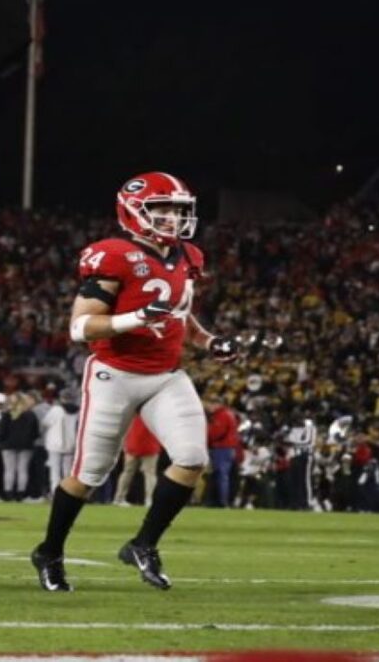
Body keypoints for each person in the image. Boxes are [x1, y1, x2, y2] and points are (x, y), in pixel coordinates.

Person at [32, 172, 240, 592]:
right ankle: (50, 551)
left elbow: (181, 314)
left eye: (179, 210)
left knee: (191, 458)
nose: (173, 218)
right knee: (89, 475)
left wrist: (209, 341)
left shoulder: (187, 256)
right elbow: (80, 327)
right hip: (115, 373)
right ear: (134, 211)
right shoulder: (113, 255)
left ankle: (143, 543)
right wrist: (137, 317)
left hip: (165, 375)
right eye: (162, 208)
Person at [40, 386, 79, 499]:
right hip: (71, 444)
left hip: (55, 444)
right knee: (67, 471)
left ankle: (55, 493)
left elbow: (45, 423)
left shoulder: (56, 409)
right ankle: (67, 493)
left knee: (55, 471)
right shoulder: (78, 411)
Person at [1, 392, 39, 501]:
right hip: (26, 446)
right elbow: (35, 432)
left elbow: (2, 431)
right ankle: (20, 493)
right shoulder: (30, 415)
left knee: (9, 470)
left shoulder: (8, 414)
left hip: (8, 445)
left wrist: (1, 442)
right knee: (23, 470)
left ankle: (8, 492)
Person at [204, 396, 239, 508]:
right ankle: (218, 500)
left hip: (222, 449)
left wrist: (205, 437)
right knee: (221, 475)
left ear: (216, 404)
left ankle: (222, 502)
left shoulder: (222, 415)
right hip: (226, 449)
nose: (208, 407)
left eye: (210, 404)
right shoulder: (226, 414)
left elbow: (216, 433)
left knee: (221, 475)